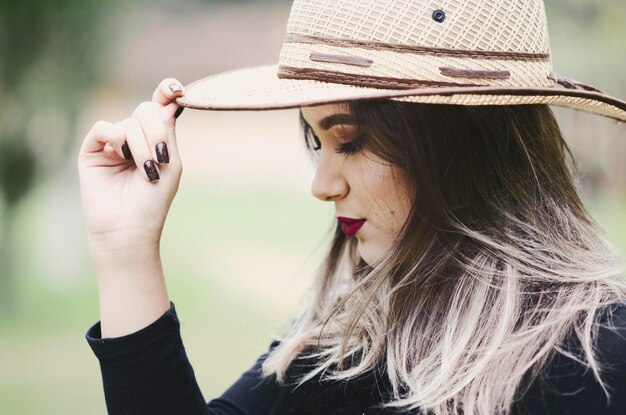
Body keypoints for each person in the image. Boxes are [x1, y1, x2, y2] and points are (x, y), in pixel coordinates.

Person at [77, 0, 626, 414]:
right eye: (317, 141)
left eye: (351, 141)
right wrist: (124, 249)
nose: (321, 184)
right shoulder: (338, 339)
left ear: (459, 145)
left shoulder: (599, 359)